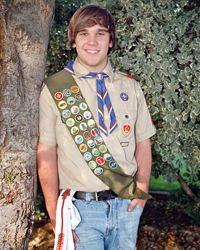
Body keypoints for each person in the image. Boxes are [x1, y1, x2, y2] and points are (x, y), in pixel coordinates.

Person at [37, 4, 156, 250]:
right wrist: (52, 208)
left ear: (111, 40)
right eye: (84, 33)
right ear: (73, 41)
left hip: (126, 205)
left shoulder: (130, 87)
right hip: (80, 211)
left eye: (100, 33)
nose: (92, 41)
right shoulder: (56, 88)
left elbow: (143, 140)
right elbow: (46, 150)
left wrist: (142, 185)